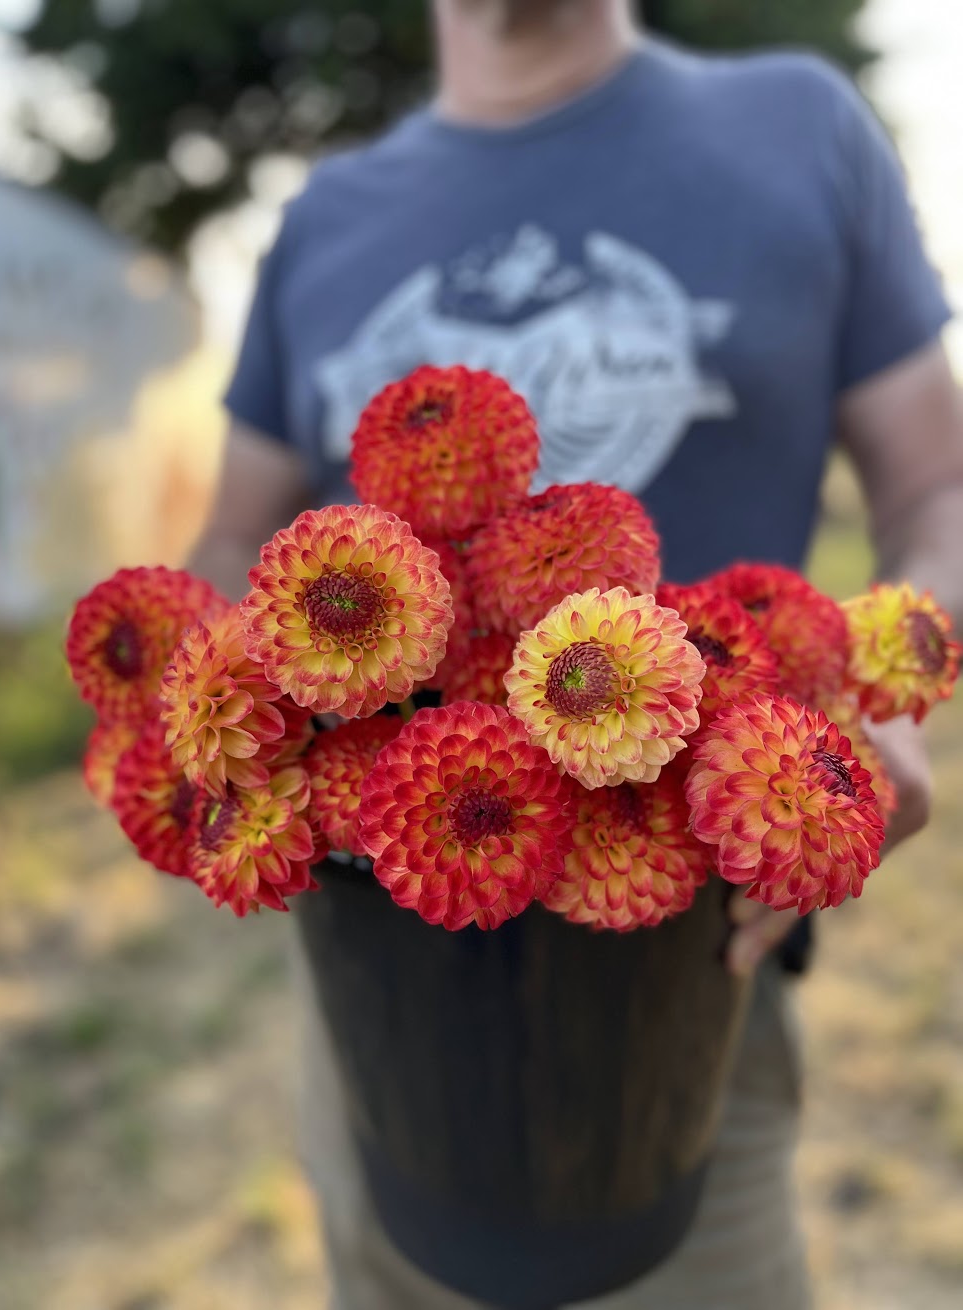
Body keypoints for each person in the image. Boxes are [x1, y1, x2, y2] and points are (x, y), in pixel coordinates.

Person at [190, 1, 963, 1305]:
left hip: (683, 983)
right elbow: (228, 544)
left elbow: (936, 483)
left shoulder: (798, 128)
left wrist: (883, 714)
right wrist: (198, 732)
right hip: (377, 994)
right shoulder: (324, 217)